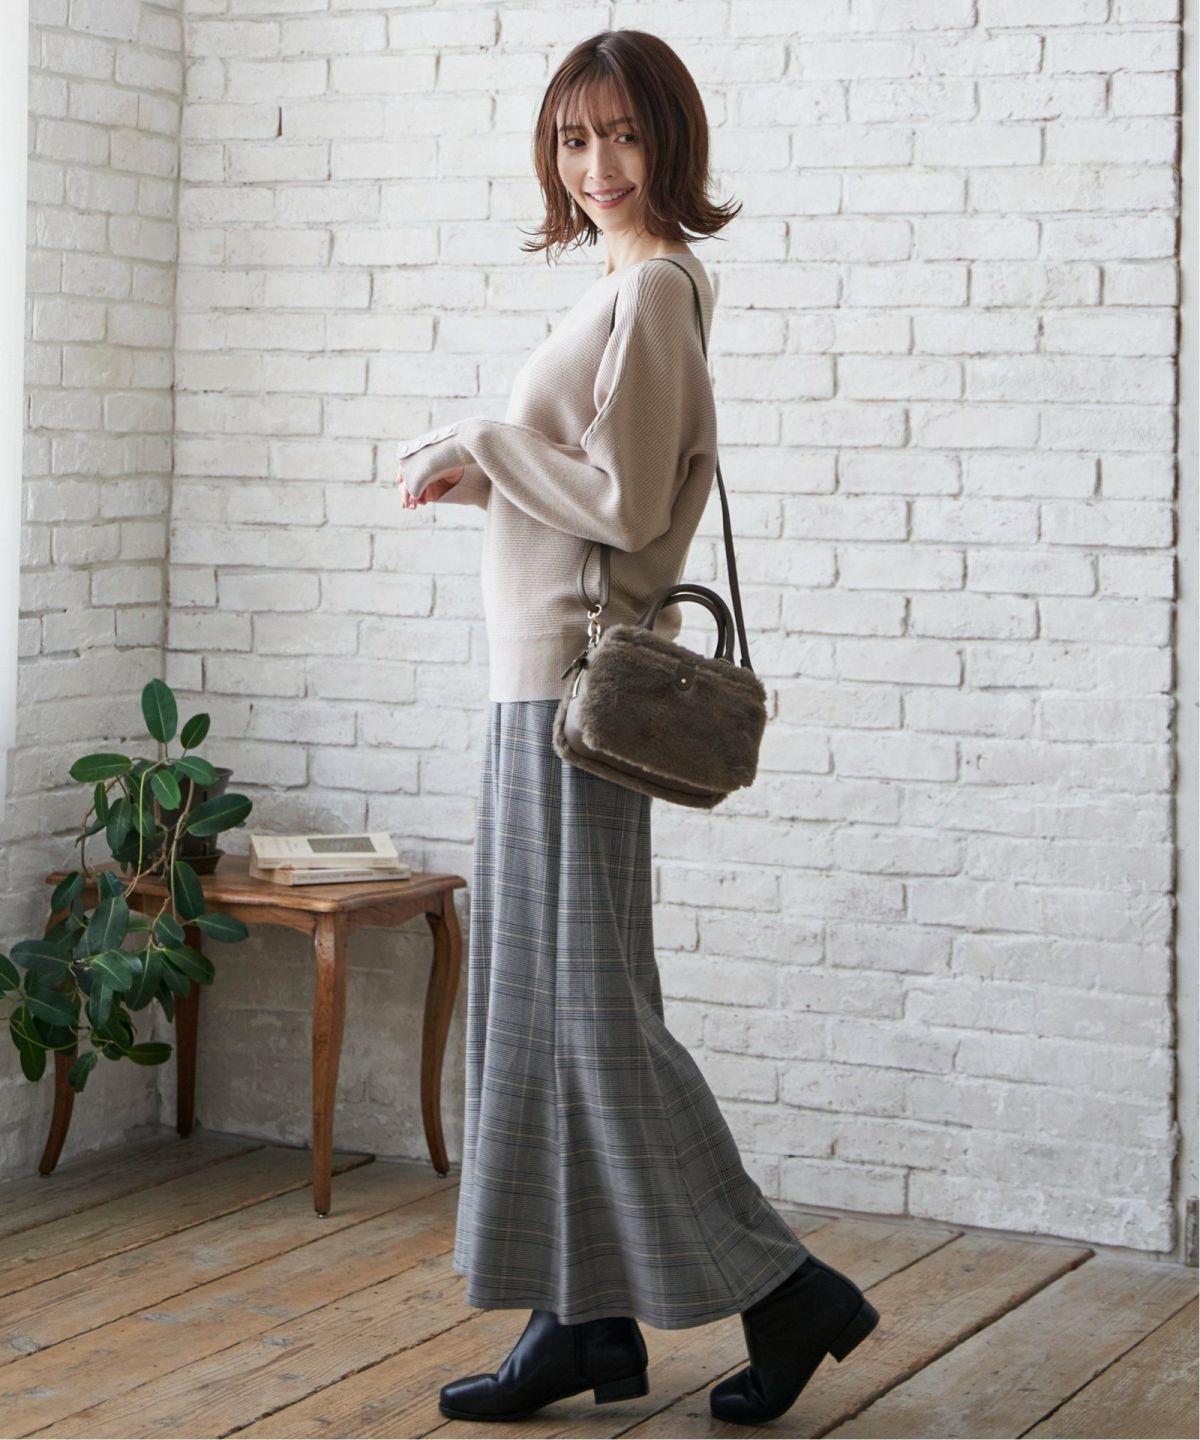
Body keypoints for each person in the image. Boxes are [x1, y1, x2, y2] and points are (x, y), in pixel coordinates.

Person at [395, 28, 879, 1427]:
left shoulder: (656, 289)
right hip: (532, 686)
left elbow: (623, 505)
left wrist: (485, 442)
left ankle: (789, 1291)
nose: (598, 165)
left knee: (594, 1021)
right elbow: (592, 498)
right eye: (573, 139)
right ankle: (583, 1321)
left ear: (671, 138)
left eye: (623, 134)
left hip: (572, 696)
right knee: (544, 1013)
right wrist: (489, 482)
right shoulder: (619, 286)